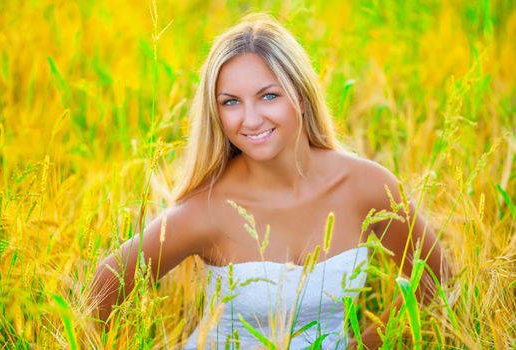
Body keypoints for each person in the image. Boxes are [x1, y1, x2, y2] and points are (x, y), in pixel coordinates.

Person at [91, 13, 448, 349]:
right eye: (231, 102)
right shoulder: (206, 209)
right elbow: (101, 292)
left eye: (268, 96)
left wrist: (365, 345)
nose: (250, 119)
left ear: (302, 98)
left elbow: (434, 276)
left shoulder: (364, 185)